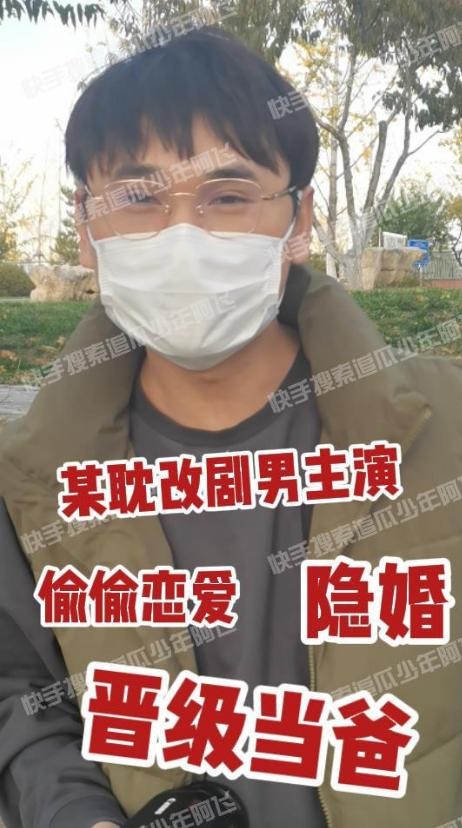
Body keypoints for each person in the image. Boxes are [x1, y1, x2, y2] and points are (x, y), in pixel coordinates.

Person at [0, 23, 461, 828]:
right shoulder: (29, 478)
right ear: (86, 226)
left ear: (298, 218)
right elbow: (21, 693)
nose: (183, 237)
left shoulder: (445, 429)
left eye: (229, 195)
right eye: (137, 198)